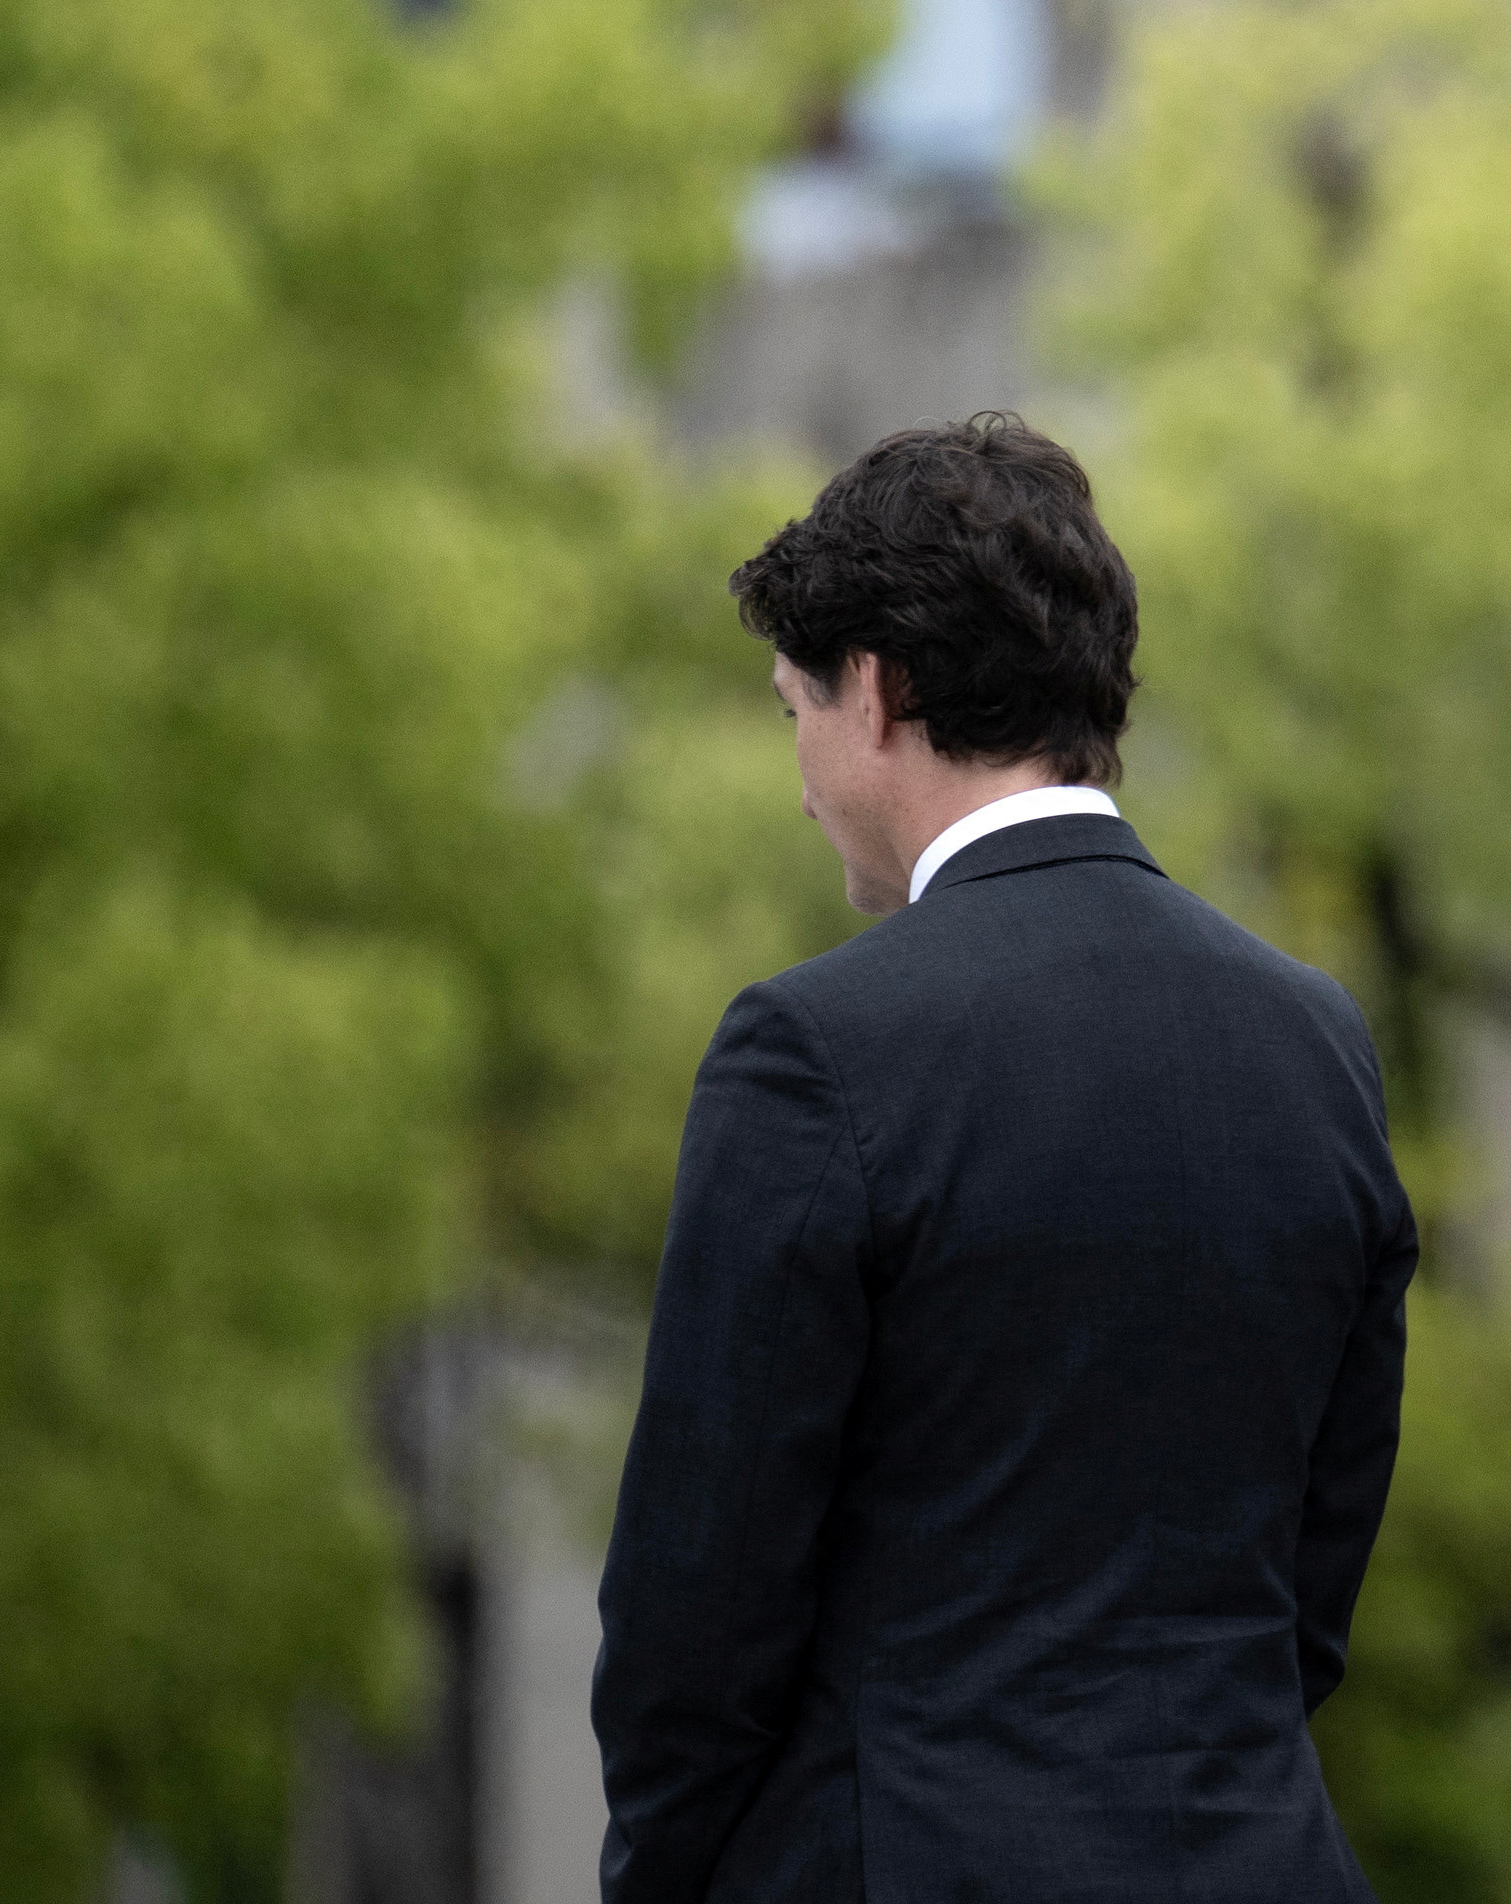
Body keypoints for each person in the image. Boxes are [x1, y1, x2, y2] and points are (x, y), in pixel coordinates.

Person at [596, 416, 1414, 1904]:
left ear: (885, 692)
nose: (796, 778)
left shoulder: (816, 1050)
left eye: (797, 709)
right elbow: (1313, 1574)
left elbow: (697, 1611)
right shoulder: (1318, 1045)